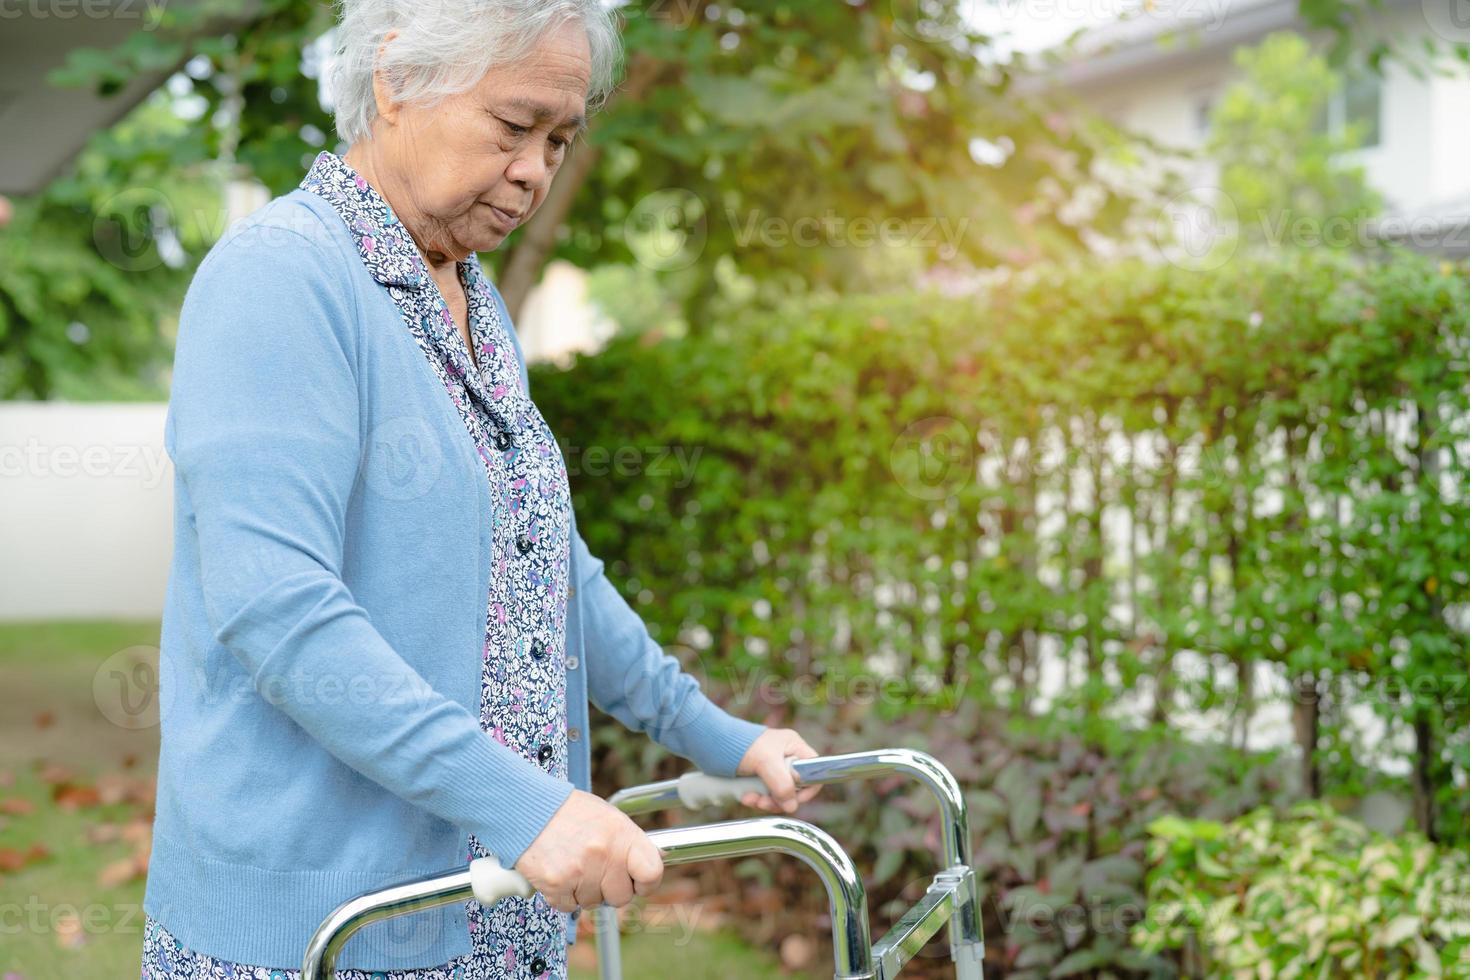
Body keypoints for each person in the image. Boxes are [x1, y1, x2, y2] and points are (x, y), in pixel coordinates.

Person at [138, 2, 819, 978]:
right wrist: (527, 804)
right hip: (319, 935)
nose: (537, 169)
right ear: (395, 78)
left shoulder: (470, 296)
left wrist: (716, 733)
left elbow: (548, 573)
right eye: (514, 127)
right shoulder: (279, 278)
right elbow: (278, 610)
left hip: (489, 913)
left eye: (558, 138)